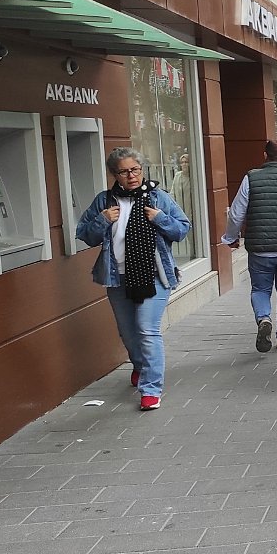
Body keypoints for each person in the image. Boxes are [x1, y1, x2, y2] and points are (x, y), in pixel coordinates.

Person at [76, 147, 191, 411]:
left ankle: (151, 389)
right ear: (115, 175)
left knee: (146, 329)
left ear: (142, 169)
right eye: (124, 172)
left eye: (135, 170)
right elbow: (84, 233)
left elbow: (182, 228)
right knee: (128, 333)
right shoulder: (105, 201)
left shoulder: (158, 198)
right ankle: (140, 365)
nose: (131, 176)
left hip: (155, 275)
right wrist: (102, 221)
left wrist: (160, 219)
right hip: (118, 276)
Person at [222, 140, 277, 352]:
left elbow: (236, 213)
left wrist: (230, 238)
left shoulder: (250, 178)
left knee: (260, 288)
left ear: (265, 156)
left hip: (260, 247)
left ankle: (263, 318)